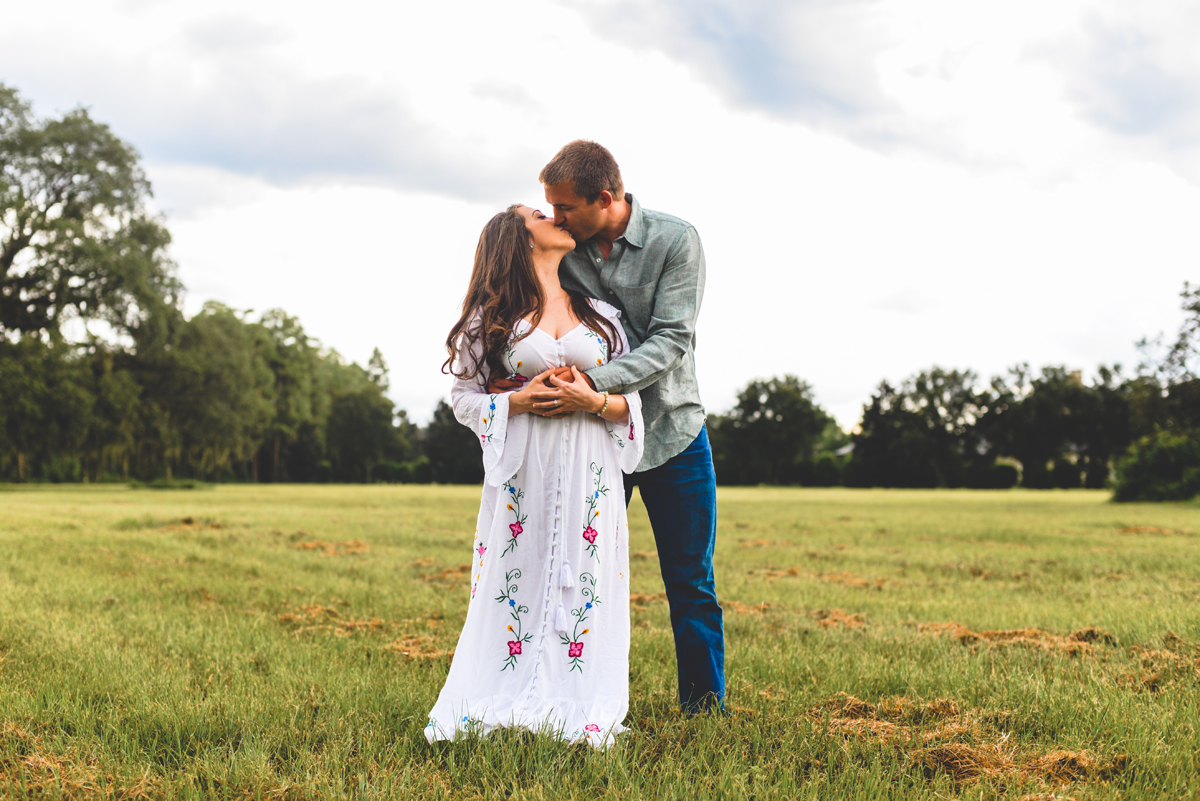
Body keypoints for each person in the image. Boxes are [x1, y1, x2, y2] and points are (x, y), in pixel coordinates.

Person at [492, 141, 725, 714]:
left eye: (565, 207)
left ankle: (704, 708)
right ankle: (567, 697)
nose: (556, 218)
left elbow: (671, 340)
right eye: (550, 207)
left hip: (673, 434)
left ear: (606, 198)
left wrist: (594, 383)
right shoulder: (566, 250)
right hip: (591, 445)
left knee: (690, 583)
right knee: (571, 568)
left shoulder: (677, 241)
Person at [424, 203, 644, 749]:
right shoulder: (494, 318)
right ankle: (505, 686)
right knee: (516, 575)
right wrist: (518, 401)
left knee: (586, 576)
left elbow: (633, 406)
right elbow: (463, 400)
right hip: (527, 472)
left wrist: (592, 400)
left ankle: (576, 697)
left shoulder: (601, 315)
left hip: (591, 469)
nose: (555, 216)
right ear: (521, 241)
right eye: (539, 216)